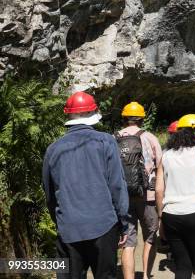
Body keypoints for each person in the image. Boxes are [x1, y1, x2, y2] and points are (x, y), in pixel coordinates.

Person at [43, 91, 129, 279]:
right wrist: (123, 223)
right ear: (93, 114)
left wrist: (60, 221)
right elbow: (117, 186)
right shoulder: (106, 141)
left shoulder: (53, 149)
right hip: (104, 226)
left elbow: (49, 195)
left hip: (68, 229)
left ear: (69, 115)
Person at [155, 114, 195, 279]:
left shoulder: (166, 155)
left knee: (182, 266)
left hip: (171, 215)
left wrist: (161, 217)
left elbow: (159, 190)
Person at [117, 102, 163, 279]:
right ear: (142, 118)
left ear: (124, 118)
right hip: (148, 195)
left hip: (124, 197)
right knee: (150, 237)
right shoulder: (150, 137)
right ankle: (145, 275)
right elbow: (161, 167)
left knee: (127, 241)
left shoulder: (114, 138)